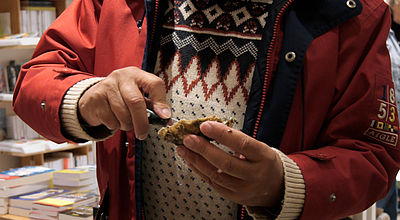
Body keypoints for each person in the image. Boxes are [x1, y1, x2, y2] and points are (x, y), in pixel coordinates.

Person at [12, 0, 400, 219]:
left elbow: (374, 154)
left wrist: (285, 185)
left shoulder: (351, 16)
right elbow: (34, 80)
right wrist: (88, 96)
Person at [377, 1, 400, 219]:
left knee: (391, 191)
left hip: (395, 125)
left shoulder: (393, 37)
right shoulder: (379, 32)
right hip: (383, 123)